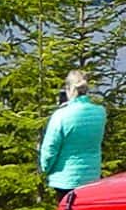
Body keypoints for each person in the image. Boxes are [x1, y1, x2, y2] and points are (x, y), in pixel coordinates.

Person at [38, 71, 108, 201]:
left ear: (68, 89)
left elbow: (50, 149)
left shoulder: (61, 115)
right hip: (92, 176)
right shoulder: (100, 112)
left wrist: (45, 169)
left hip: (65, 179)